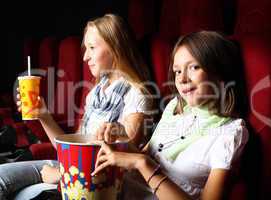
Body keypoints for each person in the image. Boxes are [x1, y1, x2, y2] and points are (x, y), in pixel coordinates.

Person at [0, 14, 152, 200]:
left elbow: (124, 160)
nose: (85, 57)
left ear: (115, 47)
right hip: (70, 168)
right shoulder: (96, 91)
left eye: (92, 48)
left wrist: (61, 176)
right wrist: (43, 115)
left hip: (93, 182)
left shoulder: (137, 94)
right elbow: (71, 149)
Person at [91, 31, 249, 200]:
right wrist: (122, 138)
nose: (182, 79)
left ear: (220, 72)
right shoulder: (175, 107)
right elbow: (146, 155)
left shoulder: (230, 133)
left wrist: (142, 164)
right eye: (177, 71)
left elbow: (143, 162)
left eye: (194, 67)